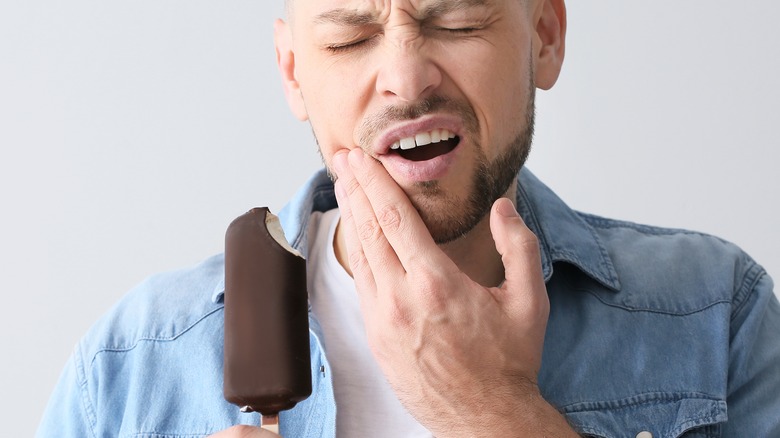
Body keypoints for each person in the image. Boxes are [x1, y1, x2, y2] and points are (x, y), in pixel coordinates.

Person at [38, 0, 780, 437]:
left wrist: (496, 410)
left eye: (455, 21)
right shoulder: (128, 372)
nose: (404, 77)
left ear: (545, 37)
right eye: (350, 37)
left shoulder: (717, 315)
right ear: (295, 71)